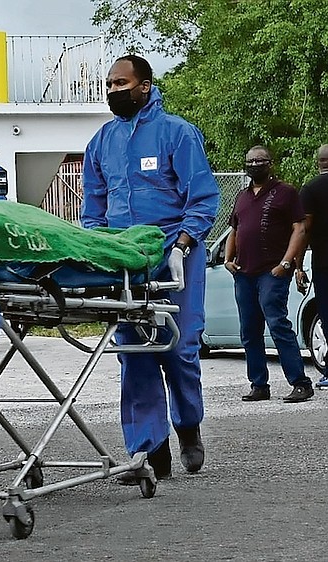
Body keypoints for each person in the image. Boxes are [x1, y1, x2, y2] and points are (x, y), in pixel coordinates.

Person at [80, 54, 219, 482]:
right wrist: (98, 251)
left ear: (144, 86)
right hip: (125, 261)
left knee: (179, 348)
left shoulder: (177, 133)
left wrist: (183, 241)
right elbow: (94, 208)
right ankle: (148, 453)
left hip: (175, 252)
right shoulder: (101, 141)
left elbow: (203, 197)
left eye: (121, 83)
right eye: (108, 84)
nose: (113, 91)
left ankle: (188, 426)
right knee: (135, 353)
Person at [224, 145, 314, 403]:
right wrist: (229, 260)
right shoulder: (242, 196)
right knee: (249, 331)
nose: (254, 165)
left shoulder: (285, 193)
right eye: (250, 161)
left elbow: (299, 228)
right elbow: (235, 229)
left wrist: (286, 264)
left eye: (260, 161)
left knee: (277, 324)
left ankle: (300, 382)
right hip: (244, 273)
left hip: (271, 271)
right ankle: (259, 385)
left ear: (270, 163)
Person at [297, 144, 328, 387]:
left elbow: (304, 228)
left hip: (323, 262)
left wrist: (297, 264)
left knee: (326, 314)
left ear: (319, 162)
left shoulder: (310, 190)